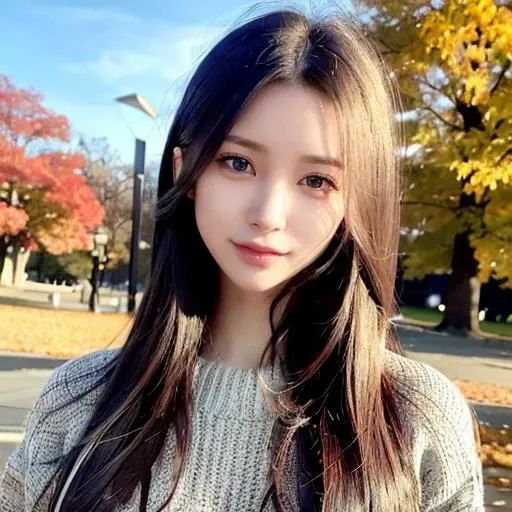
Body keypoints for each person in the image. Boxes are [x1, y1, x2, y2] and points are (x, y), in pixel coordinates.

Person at [0, 7, 484, 512]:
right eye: (238, 163)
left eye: (316, 180)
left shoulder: (413, 422)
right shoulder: (78, 402)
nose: (268, 214)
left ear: (357, 199)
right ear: (186, 171)